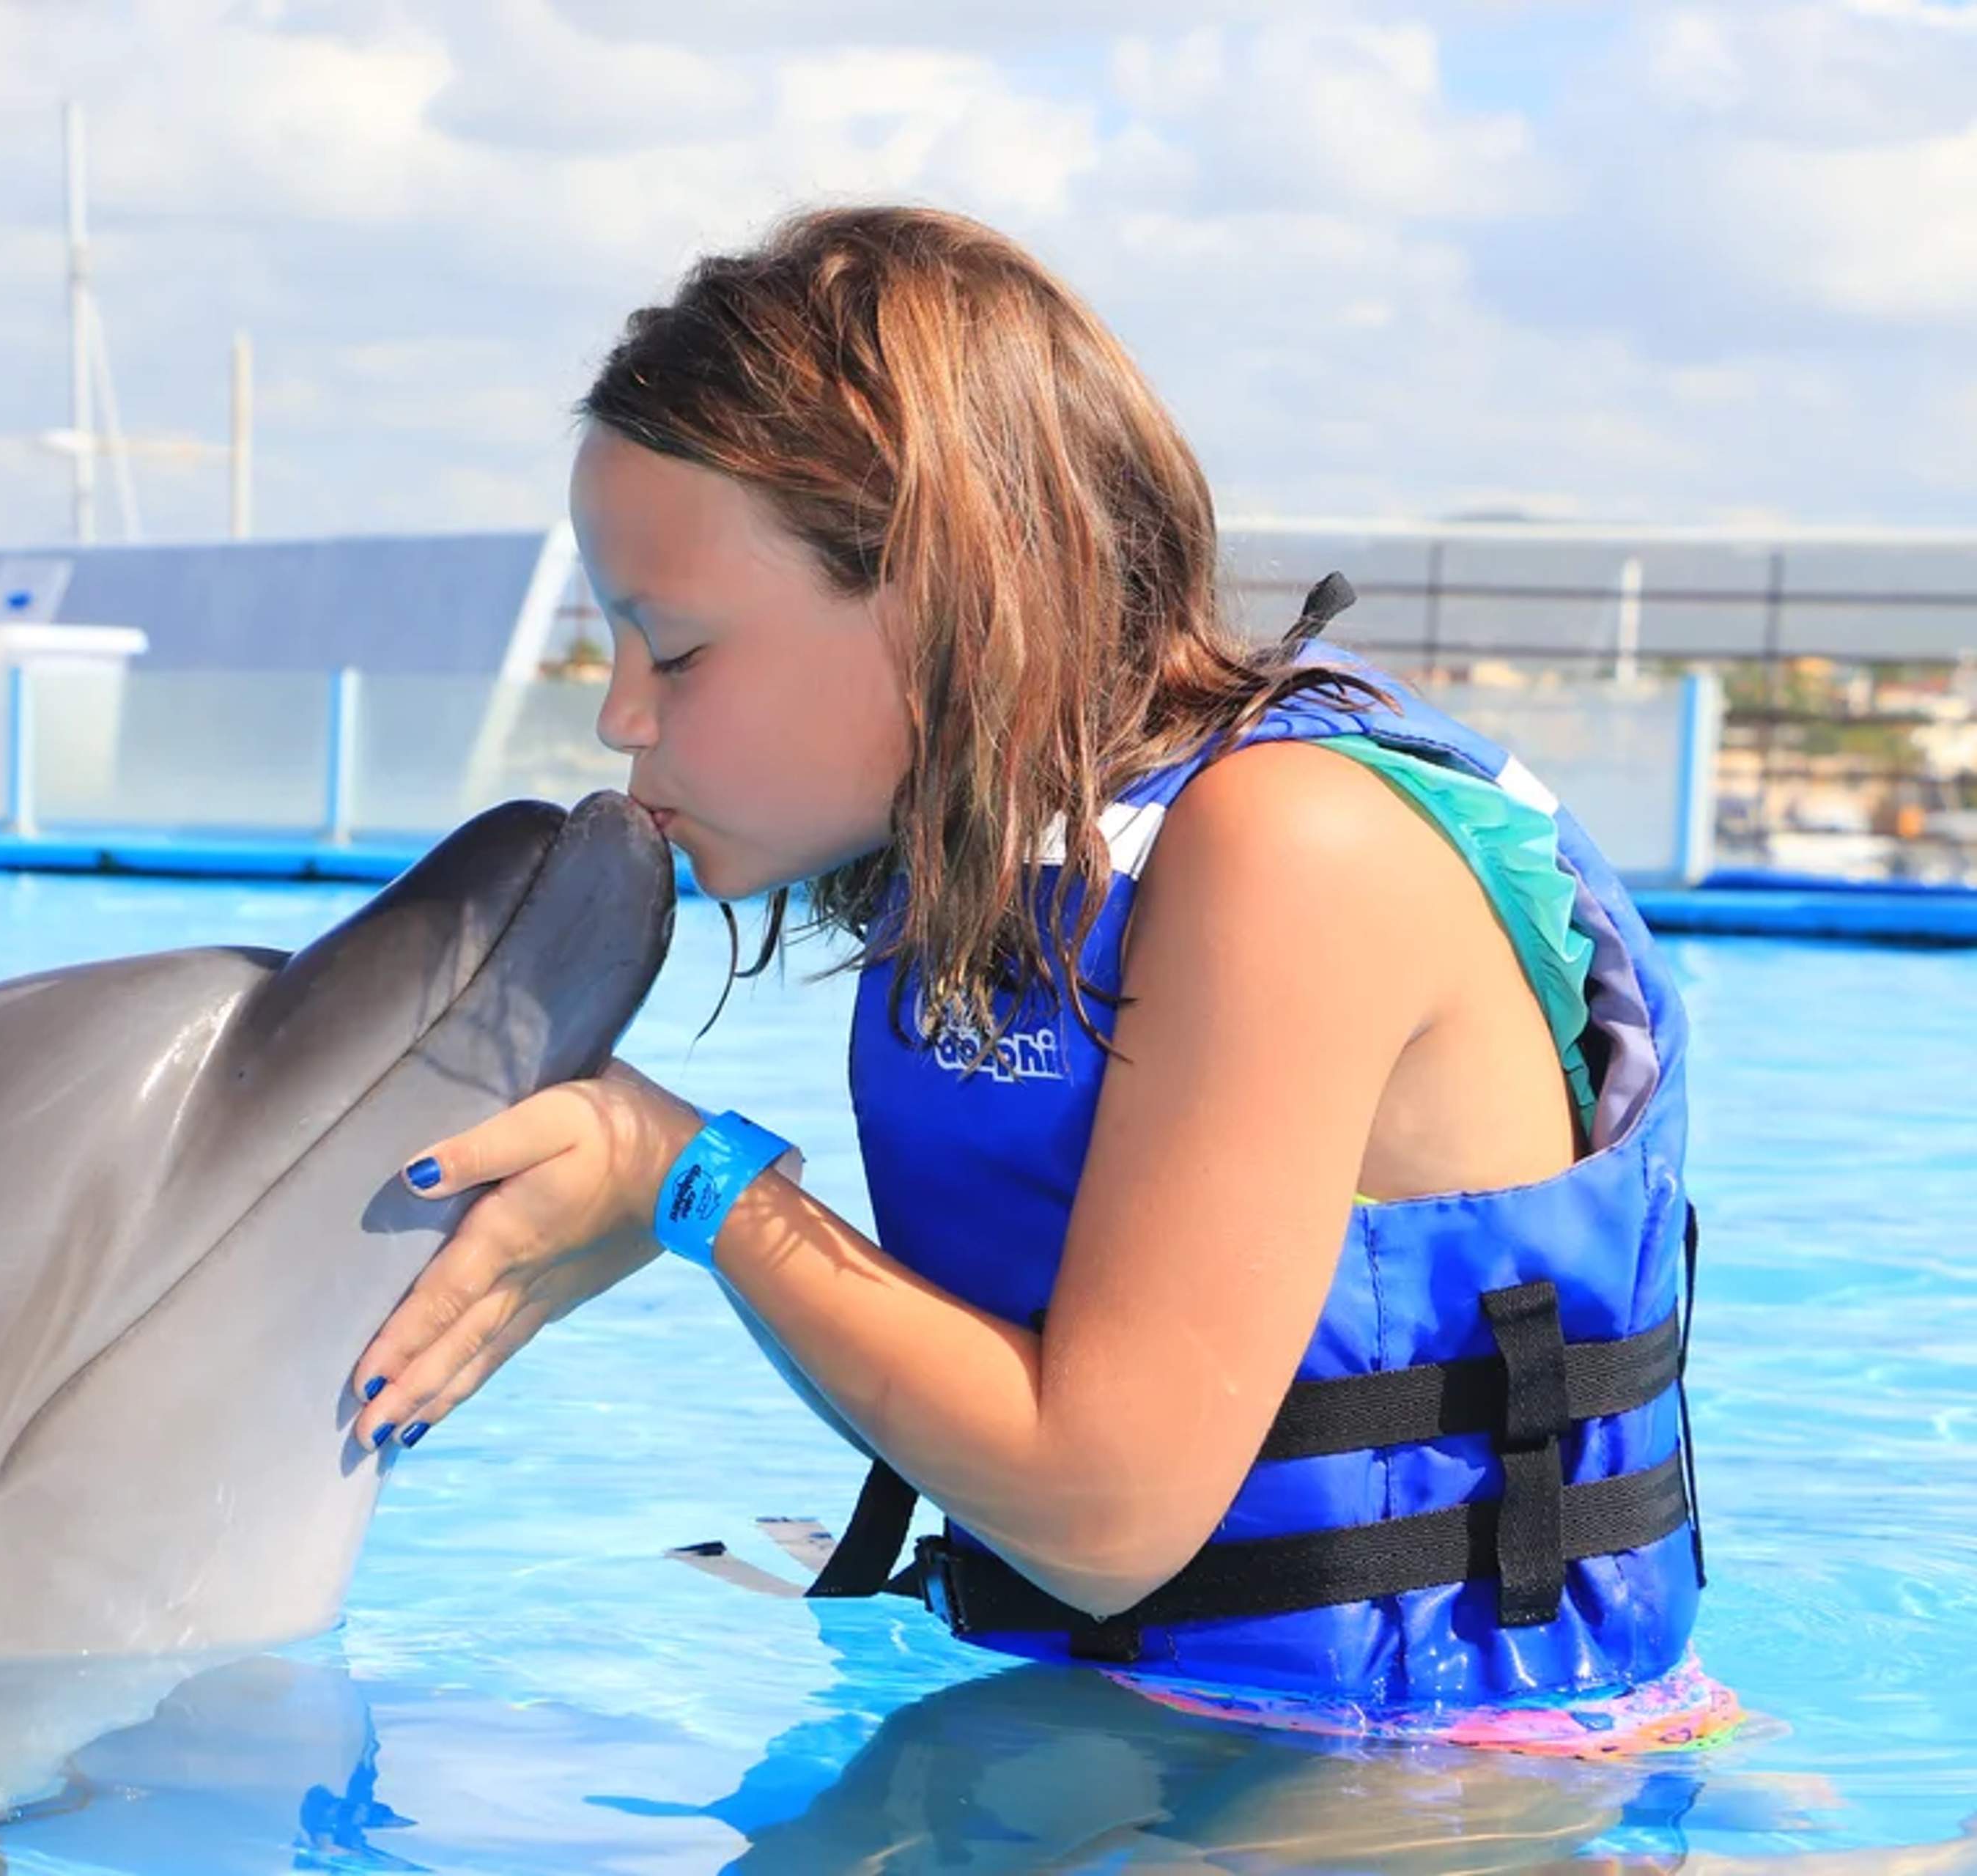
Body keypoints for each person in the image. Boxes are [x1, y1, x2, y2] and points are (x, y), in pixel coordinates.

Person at [345, 204, 1731, 1751]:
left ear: (943, 597)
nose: (619, 717)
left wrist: (698, 1187)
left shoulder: (1291, 850)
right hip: (1172, 1731)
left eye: (673, 651)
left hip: (1454, 1790)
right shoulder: (1014, 880)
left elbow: (1102, 1510)